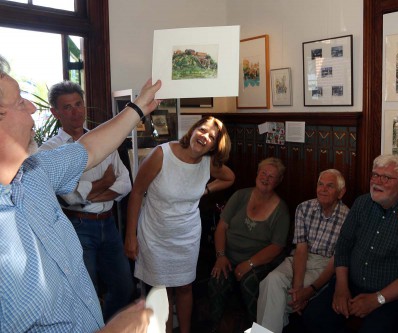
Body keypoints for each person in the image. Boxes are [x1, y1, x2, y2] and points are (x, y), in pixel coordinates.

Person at [0, 54, 161, 332]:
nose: (29, 105)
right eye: (18, 102)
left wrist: (137, 108)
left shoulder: (35, 171)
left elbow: (89, 149)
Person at [124, 116, 235, 333]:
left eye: (211, 137)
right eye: (202, 130)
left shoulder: (208, 163)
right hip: (155, 234)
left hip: (187, 235)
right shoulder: (161, 154)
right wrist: (130, 236)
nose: (204, 137)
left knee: (185, 287)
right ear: (193, 129)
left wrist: (206, 190)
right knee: (161, 291)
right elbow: (136, 192)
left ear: (215, 146)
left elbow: (230, 177)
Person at [38, 81, 134, 321]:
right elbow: (68, 197)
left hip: (109, 225)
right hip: (78, 227)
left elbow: (124, 183)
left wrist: (87, 192)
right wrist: (102, 183)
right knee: (85, 294)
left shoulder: (103, 139)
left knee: (125, 288)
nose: (76, 112)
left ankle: (103, 326)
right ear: (55, 112)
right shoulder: (49, 151)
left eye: (79, 104)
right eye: (67, 107)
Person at [303, 155, 398, 333]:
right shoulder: (362, 203)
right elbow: (343, 246)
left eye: (386, 177)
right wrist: (341, 287)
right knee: (313, 317)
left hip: (388, 297)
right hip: (349, 284)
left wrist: (377, 299)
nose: (377, 182)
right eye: (374, 175)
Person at [256, 169, 349, 333]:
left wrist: (310, 290)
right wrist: (298, 286)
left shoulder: (348, 218)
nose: (323, 189)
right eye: (320, 184)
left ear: (341, 193)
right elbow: (301, 249)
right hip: (298, 259)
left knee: (283, 299)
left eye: (330, 186)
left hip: (325, 264)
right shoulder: (304, 208)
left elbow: (337, 260)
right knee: (271, 280)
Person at [208, 157, 290, 331]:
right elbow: (221, 227)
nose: (266, 178)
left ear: (278, 181)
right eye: (263, 173)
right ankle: (215, 327)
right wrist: (221, 256)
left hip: (259, 262)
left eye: (272, 176)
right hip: (228, 257)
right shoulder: (240, 196)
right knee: (217, 279)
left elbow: (277, 246)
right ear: (257, 173)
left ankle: (257, 328)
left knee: (248, 282)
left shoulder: (281, 210)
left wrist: (249, 263)